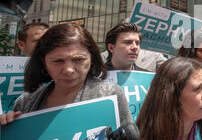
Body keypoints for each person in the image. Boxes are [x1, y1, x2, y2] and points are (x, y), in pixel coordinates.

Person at [0, 23, 132, 127]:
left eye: (79, 59)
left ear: (92, 58)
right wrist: (8, 128)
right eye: (58, 61)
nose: (68, 69)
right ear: (43, 62)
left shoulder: (110, 94)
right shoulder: (25, 102)